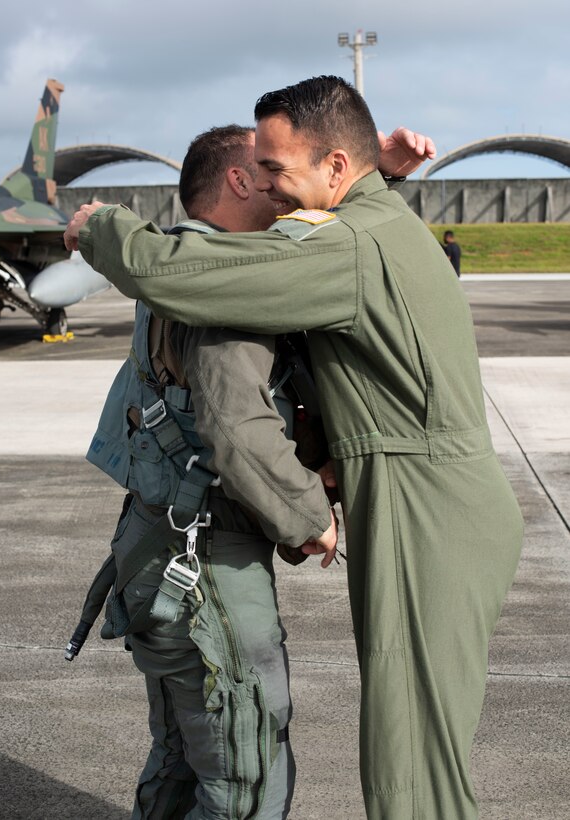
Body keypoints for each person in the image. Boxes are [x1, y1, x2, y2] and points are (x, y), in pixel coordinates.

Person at [65, 75, 523, 820]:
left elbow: (178, 281)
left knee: (410, 770)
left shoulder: (342, 243)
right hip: (427, 499)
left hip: (426, 514)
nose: (272, 189)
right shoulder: (365, 223)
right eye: (263, 171)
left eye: (281, 170)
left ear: (339, 169)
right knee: (408, 754)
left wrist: (99, 224)